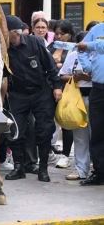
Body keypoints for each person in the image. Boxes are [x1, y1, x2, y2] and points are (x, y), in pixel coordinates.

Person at [4, 15, 62, 182]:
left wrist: (57, 86)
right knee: (16, 131)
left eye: (6, 33)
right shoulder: (4, 49)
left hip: (40, 92)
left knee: (44, 130)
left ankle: (43, 169)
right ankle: (19, 167)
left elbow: (50, 65)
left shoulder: (34, 42)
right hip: (18, 94)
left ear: (15, 32)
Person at [77, 7, 104, 186]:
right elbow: (80, 49)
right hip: (99, 88)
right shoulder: (96, 30)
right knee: (98, 132)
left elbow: (88, 46)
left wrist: (91, 46)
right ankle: (100, 172)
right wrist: (89, 67)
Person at [59, 31, 92, 180]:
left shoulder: (98, 55)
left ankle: (98, 168)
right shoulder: (73, 56)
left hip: (96, 96)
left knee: (97, 135)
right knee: (80, 135)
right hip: (77, 97)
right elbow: (62, 75)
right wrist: (75, 77)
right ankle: (81, 169)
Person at [48, 19, 76, 169]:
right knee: (48, 120)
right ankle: (48, 151)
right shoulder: (51, 46)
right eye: (56, 33)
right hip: (51, 87)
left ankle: (66, 155)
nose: (58, 36)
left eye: (62, 34)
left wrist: (59, 65)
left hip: (68, 89)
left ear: (70, 34)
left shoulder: (74, 48)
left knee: (66, 122)